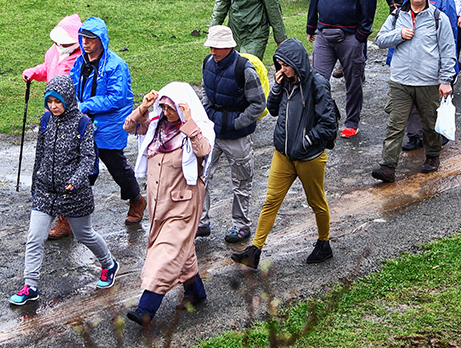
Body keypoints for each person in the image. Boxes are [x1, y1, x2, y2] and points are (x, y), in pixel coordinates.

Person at [9, 75, 119, 306]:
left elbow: (89, 157)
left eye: (57, 102)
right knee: (34, 238)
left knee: (83, 234)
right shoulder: (46, 120)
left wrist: (76, 180)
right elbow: (40, 153)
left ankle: (109, 264)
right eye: (49, 102)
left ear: (68, 99)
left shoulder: (83, 123)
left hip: (74, 194)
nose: (53, 106)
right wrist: (35, 183)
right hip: (45, 192)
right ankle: (31, 286)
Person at [231, 39, 338, 269]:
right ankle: (254, 251)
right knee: (271, 201)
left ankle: (324, 244)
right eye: (279, 65)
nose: (282, 70)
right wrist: (278, 85)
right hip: (284, 155)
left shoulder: (318, 85)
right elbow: (273, 109)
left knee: (316, 202)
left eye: (285, 65)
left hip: (309, 157)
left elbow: (329, 125)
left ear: (297, 63)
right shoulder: (285, 82)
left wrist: (306, 141)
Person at [121, 83, 215, 326]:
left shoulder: (197, 128)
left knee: (165, 252)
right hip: (158, 202)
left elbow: (204, 150)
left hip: (183, 203)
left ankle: (146, 308)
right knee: (181, 249)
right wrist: (144, 107)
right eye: (162, 106)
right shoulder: (155, 126)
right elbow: (129, 126)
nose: (165, 111)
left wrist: (189, 124)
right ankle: (195, 291)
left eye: (170, 107)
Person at [373, 0, 454, 179]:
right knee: (395, 124)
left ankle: (433, 155)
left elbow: (448, 50)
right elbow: (380, 40)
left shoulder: (438, 18)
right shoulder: (396, 16)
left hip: (428, 82)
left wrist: (445, 80)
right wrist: (398, 35)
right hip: (400, 81)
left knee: (430, 123)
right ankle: (388, 167)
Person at [72, 17, 145, 222]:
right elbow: (72, 84)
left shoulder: (116, 65)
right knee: (82, 169)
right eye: (83, 38)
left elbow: (116, 98)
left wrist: (84, 106)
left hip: (110, 125)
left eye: (91, 39)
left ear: (101, 40)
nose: (86, 43)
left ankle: (136, 199)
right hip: (85, 123)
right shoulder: (81, 61)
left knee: (117, 167)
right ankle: (70, 217)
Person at [306, 0, 377, 140]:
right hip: (323, 34)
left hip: (350, 36)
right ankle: (323, 118)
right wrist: (311, 26)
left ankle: (351, 122)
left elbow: (369, 3)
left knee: (353, 82)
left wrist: (362, 34)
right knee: (317, 81)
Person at [198, 25, 263, 244]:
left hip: (238, 137)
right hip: (213, 133)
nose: (213, 52)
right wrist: (208, 115)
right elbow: (205, 92)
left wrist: (236, 123)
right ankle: (201, 223)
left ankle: (241, 226)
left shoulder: (245, 69)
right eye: (211, 47)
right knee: (201, 177)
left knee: (242, 182)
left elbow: (258, 104)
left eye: (217, 48)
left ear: (228, 46)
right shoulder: (208, 63)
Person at [22, 13, 83, 240]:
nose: (61, 45)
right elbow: (48, 69)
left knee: (64, 166)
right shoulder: (54, 50)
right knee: (50, 162)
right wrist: (33, 73)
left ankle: (65, 218)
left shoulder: (80, 59)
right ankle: (55, 209)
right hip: (52, 114)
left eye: (66, 41)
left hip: (68, 118)